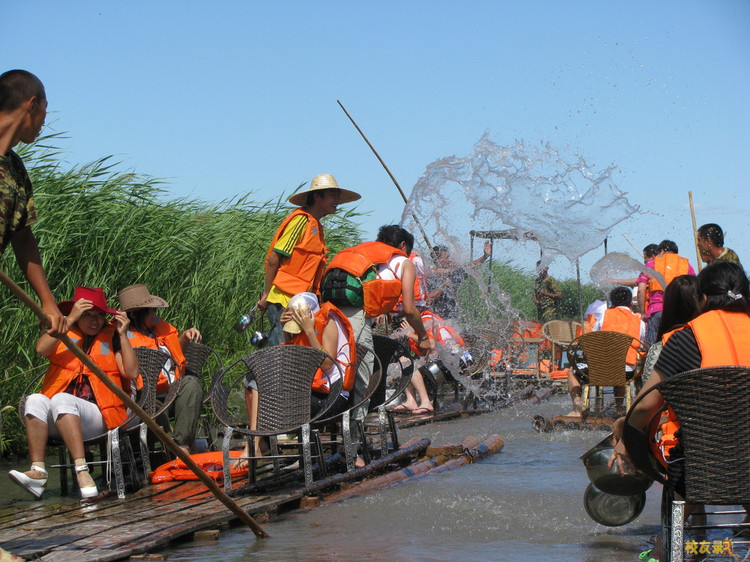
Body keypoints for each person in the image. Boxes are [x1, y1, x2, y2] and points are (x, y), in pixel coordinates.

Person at [609, 261, 750, 562]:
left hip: (701, 465)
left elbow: (646, 404)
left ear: (701, 299)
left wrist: (624, 440)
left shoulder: (688, 338)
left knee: (679, 455)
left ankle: (666, 548)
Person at [9, 286, 138, 499]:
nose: (94, 321)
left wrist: (123, 335)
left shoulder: (112, 337)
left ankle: (82, 471)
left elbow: (131, 372)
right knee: (35, 399)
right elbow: (42, 349)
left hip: (99, 416)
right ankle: (38, 472)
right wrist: (69, 320)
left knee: (62, 399)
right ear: (77, 315)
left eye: (98, 316)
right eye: (87, 316)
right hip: (60, 419)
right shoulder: (65, 332)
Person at [321, 225, 431, 466]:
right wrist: (423, 336)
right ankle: (351, 449)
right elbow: (410, 309)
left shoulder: (364, 254)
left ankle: (333, 441)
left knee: (333, 371)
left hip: (329, 312)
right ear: (403, 246)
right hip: (356, 317)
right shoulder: (404, 262)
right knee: (362, 377)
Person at [257, 173, 360, 347]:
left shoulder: (315, 225)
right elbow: (275, 259)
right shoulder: (301, 221)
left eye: (337, 195)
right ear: (317, 196)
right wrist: (267, 294)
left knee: (296, 353)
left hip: (300, 302)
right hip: (283, 300)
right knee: (280, 351)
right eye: (332, 194)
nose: (336, 200)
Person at [0, 70, 65, 335]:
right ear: (32, 104)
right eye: (44, 115)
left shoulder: (16, 170)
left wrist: (48, 302)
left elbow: (23, 237)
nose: (42, 125)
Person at [118, 284, 203, 455]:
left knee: (191, 383)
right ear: (134, 314)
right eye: (151, 311)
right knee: (153, 407)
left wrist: (185, 338)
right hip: (148, 399)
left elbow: (174, 358)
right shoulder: (121, 337)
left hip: (172, 393)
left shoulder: (158, 330)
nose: (155, 315)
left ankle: (182, 445)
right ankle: (173, 448)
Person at [566, 286, 645, 418]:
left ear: (612, 303)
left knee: (571, 372)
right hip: (626, 372)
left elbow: (595, 338)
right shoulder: (639, 321)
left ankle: (577, 408)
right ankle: (620, 408)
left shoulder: (604, 316)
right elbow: (640, 343)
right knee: (621, 366)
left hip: (601, 368)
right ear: (631, 303)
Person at [636, 240, 695, 344]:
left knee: (652, 346)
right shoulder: (687, 265)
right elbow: (694, 289)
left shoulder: (651, 264)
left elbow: (641, 289)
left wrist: (642, 312)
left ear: (662, 251)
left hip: (657, 311)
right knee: (677, 345)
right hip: (679, 312)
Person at [428, 241, 491, 320]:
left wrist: (485, 256)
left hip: (452, 319)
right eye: (446, 258)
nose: (449, 260)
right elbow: (429, 298)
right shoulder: (430, 276)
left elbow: (470, 266)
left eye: (449, 257)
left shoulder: (453, 274)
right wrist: (444, 285)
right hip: (436, 319)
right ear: (437, 259)